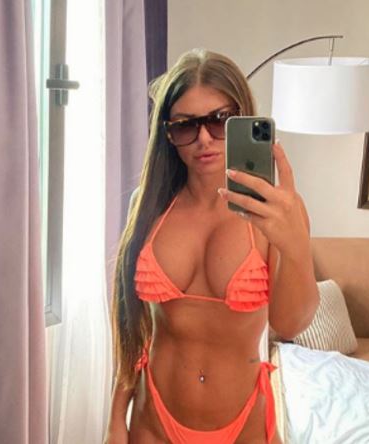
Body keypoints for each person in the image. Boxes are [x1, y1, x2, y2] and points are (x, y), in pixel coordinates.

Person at [104, 49, 319, 444]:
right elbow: (132, 323)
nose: (203, 138)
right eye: (185, 125)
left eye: (220, 120)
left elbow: (290, 324)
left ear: (243, 118)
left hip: (243, 426)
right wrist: (116, 417)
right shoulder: (149, 205)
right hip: (153, 419)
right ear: (168, 133)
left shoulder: (276, 210)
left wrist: (296, 248)